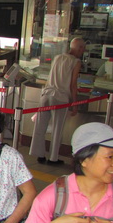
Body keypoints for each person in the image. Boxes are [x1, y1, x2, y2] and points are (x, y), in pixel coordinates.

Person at [29, 37, 85, 165]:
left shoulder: (58, 57)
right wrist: (74, 103)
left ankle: (39, 154)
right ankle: (53, 158)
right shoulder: (76, 62)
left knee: (40, 126)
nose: (83, 52)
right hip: (60, 97)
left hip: (46, 94)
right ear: (80, 48)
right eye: (83, 49)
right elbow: (73, 84)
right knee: (57, 128)